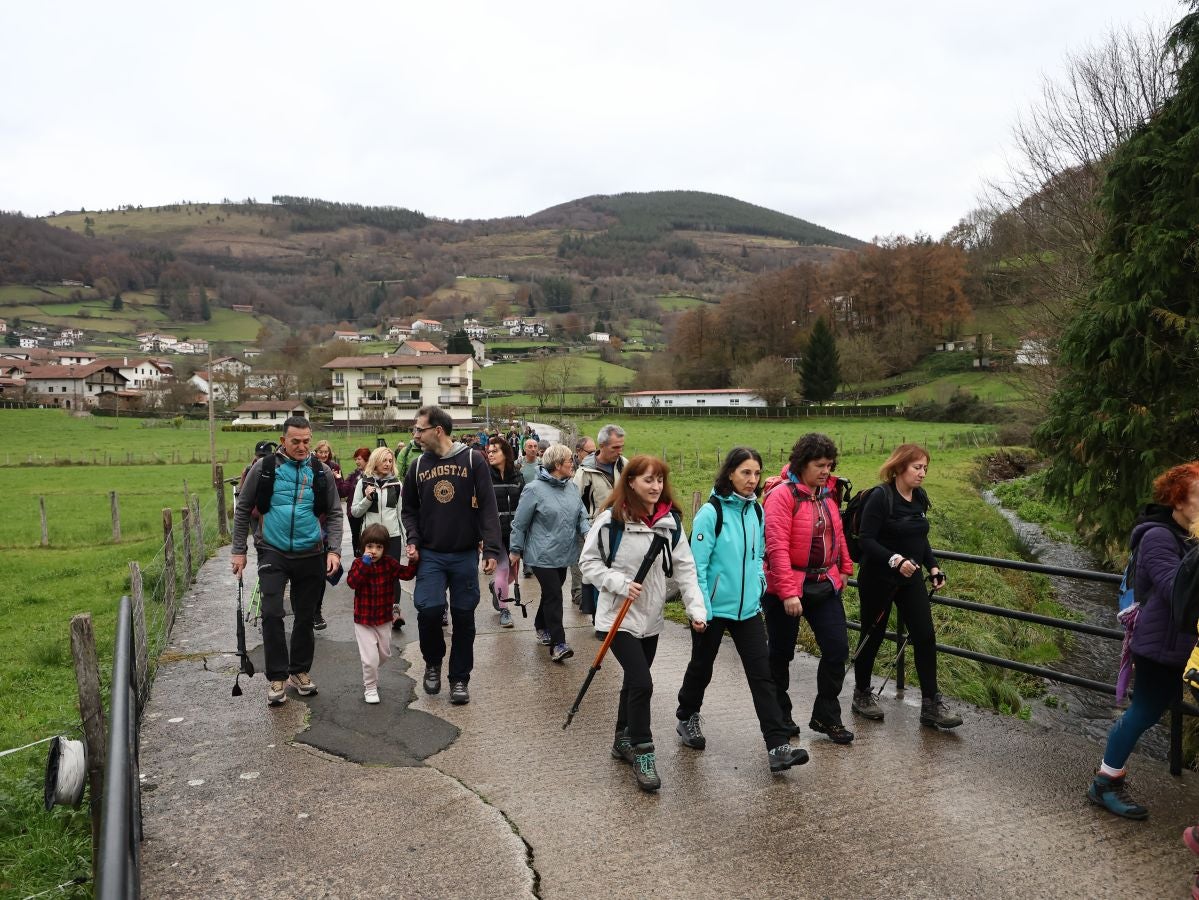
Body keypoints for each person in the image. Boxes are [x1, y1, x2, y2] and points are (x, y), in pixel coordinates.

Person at [676, 447, 810, 773]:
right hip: (713, 609)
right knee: (702, 667)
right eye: (745, 473)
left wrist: (760, 584)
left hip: (748, 610)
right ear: (730, 473)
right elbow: (698, 568)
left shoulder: (757, 512)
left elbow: (759, 556)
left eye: (756, 473)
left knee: (762, 676)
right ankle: (687, 716)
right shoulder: (712, 513)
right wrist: (700, 610)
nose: (752, 480)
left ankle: (778, 746)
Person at [579, 455, 707, 793]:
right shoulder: (610, 522)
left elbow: (686, 569)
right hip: (615, 619)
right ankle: (643, 751)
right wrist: (618, 583)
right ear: (631, 481)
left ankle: (621, 739)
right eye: (648, 480)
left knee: (634, 684)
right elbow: (587, 563)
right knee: (643, 682)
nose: (655, 487)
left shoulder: (670, 523)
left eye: (660, 480)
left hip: (650, 620)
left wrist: (696, 610)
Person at [1087, 461, 1199, 819]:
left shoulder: (1187, 536)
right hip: (1158, 645)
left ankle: (1110, 775)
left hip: (1181, 645)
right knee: (1143, 712)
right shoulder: (1158, 537)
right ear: (1178, 501)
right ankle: (1104, 783)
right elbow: (1175, 590)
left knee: (1150, 711)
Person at [231, 416, 342, 706]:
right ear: (283, 441)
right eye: (296, 441)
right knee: (271, 613)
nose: (303, 446)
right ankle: (277, 676)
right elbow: (243, 508)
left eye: (307, 440)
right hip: (273, 550)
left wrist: (334, 550)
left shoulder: (322, 471)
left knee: (305, 616)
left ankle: (299, 672)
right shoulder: (264, 468)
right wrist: (238, 550)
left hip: (311, 553)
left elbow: (334, 512)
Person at [851, 443, 961, 729]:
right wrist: (894, 559)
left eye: (925, 467)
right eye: (917, 467)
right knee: (872, 635)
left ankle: (931, 704)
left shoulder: (919, 498)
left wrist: (933, 567)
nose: (922, 473)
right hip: (878, 578)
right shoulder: (880, 497)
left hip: (910, 578)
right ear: (899, 467)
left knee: (925, 636)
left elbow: (920, 539)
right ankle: (861, 693)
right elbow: (866, 540)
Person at [401, 405, 503, 706]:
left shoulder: (473, 460)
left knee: (463, 616)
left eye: (419, 429)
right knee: (429, 609)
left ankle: (459, 678)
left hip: (464, 554)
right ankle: (433, 662)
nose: (415, 434)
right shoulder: (417, 466)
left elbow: (487, 506)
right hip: (431, 554)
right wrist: (414, 539)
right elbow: (409, 510)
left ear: (438, 430)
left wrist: (492, 547)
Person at [762, 433, 855, 745]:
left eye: (829, 465)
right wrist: (788, 592)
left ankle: (826, 715)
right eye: (819, 465)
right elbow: (776, 546)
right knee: (780, 653)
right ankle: (781, 715)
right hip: (785, 588)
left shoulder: (826, 494)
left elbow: (837, 534)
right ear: (802, 464)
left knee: (837, 649)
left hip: (824, 584)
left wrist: (844, 570)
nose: (826, 471)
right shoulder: (782, 496)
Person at [509, 443, 590, 662]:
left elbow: (581, 515)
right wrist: (515, 550)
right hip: (541, 554)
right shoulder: (533, 489)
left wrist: (588, 533)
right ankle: (558, 644)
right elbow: (520, 523)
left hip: (564, 553)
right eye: (568, 461)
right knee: (554, 594)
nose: (573, 464)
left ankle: (540, 625)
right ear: (556, 465)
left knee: (549, 594)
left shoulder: (571, 487)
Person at [347, 523, 416, 704]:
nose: (374, 551)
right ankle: (370, 687)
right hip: (363, 619)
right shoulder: (358, 563)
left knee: (384, 655)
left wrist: (414, 559)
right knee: (370, 659)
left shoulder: (389, 563)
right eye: (370, 546)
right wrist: (364, 565)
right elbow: (352, 582)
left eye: (379, 547)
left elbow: (407, 574)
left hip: (384, 619)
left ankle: (370, 669)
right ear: (363, 547)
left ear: (385, 548)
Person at [574, 424, 628, 616]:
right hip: (593, 530)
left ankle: (614, 616)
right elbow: (575, 503)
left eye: (621, 446)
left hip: (622, 529)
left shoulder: (625, 466)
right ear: (602, 445)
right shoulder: (585, 472)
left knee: (617, 572)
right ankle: (598, 617)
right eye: (615, 447)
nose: (619, 451)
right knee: (596, 575)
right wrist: (584, 529)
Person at [351, 446, 406, 631]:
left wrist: (409, 541)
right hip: (371, 538)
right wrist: (367, 499)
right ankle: (374, 610)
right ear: (375, 461)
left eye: (390, 461)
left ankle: (395, 611)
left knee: (393, 574)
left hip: (392, 537)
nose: (388, 464)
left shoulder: (397, 485)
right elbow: (355, 512)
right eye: (385, 460)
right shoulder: (363, 483)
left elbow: (402, 514)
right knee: (370, 573)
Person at [485, 435, 524, 628]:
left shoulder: (518, 476)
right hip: (494, 532)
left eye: (495, 451)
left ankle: (496, 587)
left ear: (506, 453)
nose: (490, 454)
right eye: (489, 451)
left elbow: (525, 505)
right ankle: (504, 610)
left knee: (512, 573)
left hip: (515, 532)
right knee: (502, 568)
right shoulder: (484, 476)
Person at [310, 440, 343, 630]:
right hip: (303, 528)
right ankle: (304, 611)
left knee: (320, 573)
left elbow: (337, 502)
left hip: (323, 528)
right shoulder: (307, 469)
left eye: (325, 451)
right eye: (319, 451)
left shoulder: (330, 469)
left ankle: (316, 611)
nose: (323, 454)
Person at [569, 435, 598, 607]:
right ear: (579, 452)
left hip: (593, 521)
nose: (594, 455)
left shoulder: (597, 467)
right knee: (578, 556)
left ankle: (589, 592)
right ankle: (578, 592)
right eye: (590, 452)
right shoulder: (569, 468)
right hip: (576, 521)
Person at [343, 447, 371, 559]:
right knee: (356, 537)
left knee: (367, 537)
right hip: (353, 513)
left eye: (359, 459)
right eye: (356, 459)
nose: (356, 462)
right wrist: (339, 479)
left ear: (367, 460)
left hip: (368, 512)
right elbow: (343, 491)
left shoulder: (373, 476)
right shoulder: (353, 475)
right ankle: (358, 560)